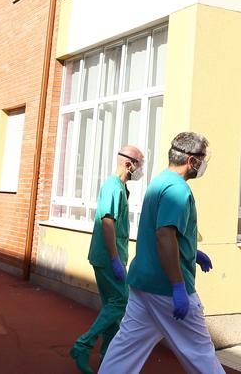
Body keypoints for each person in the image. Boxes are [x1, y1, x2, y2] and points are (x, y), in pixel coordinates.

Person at [98, 132, 222, 374]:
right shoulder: (178, 190)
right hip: (166, 289)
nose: (204, 165)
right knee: (200, 353)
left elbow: (166, 233)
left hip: (143, 283)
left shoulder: (160, 181)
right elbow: (164, 236)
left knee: (125, 348)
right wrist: (178, 286)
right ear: (192, 161)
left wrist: (191, 251)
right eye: (203, 159)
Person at [71, 145, 145, 373]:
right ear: (128, 164)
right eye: (139, 164)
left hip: (110, 256)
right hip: (107, 258)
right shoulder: (113, 187)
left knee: (113, 309)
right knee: (120, 302)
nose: (140, 170)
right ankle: (84, 345)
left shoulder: (120, 187)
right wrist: (114, 259)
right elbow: (107, 221)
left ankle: (108, 359)